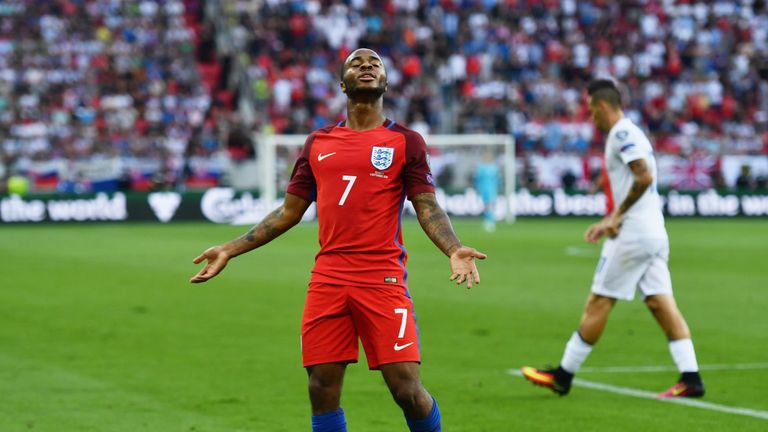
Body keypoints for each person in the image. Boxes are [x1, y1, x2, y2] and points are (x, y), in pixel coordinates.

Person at [190, 48, 486, 432]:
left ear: (385, 82)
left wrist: (453, 247)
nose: (366, 66)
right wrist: (230, 248)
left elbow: (427, 205)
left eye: (375, 63)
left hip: (382, 279)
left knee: (406, 390)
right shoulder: (317, 143)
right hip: (328, 279)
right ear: (342, 83)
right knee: (321, 387)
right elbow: (288, 212)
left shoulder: (406, 141)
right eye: (356, 63)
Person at [521, 79, 705, 399]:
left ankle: (563, 375)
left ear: (603, 106)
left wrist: (616, 216)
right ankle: (691, 378)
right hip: (652, 231)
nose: (590, 117)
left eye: (592, 110)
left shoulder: (621, 133)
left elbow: (644, 175)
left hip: (633, 234)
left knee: (599, 301)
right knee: (660, 303)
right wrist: (609, 218)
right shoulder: (631, 133)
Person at [474, 150, 500, 232]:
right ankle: (488, 220)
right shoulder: (481, 167)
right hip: (483, 188)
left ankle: (490, 220)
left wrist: (498, 187)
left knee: (491, 204)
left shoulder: (494, 167)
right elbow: (478, 179)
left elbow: (497, 179)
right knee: (486, 205)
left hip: (492, 188)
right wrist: (478, 188)